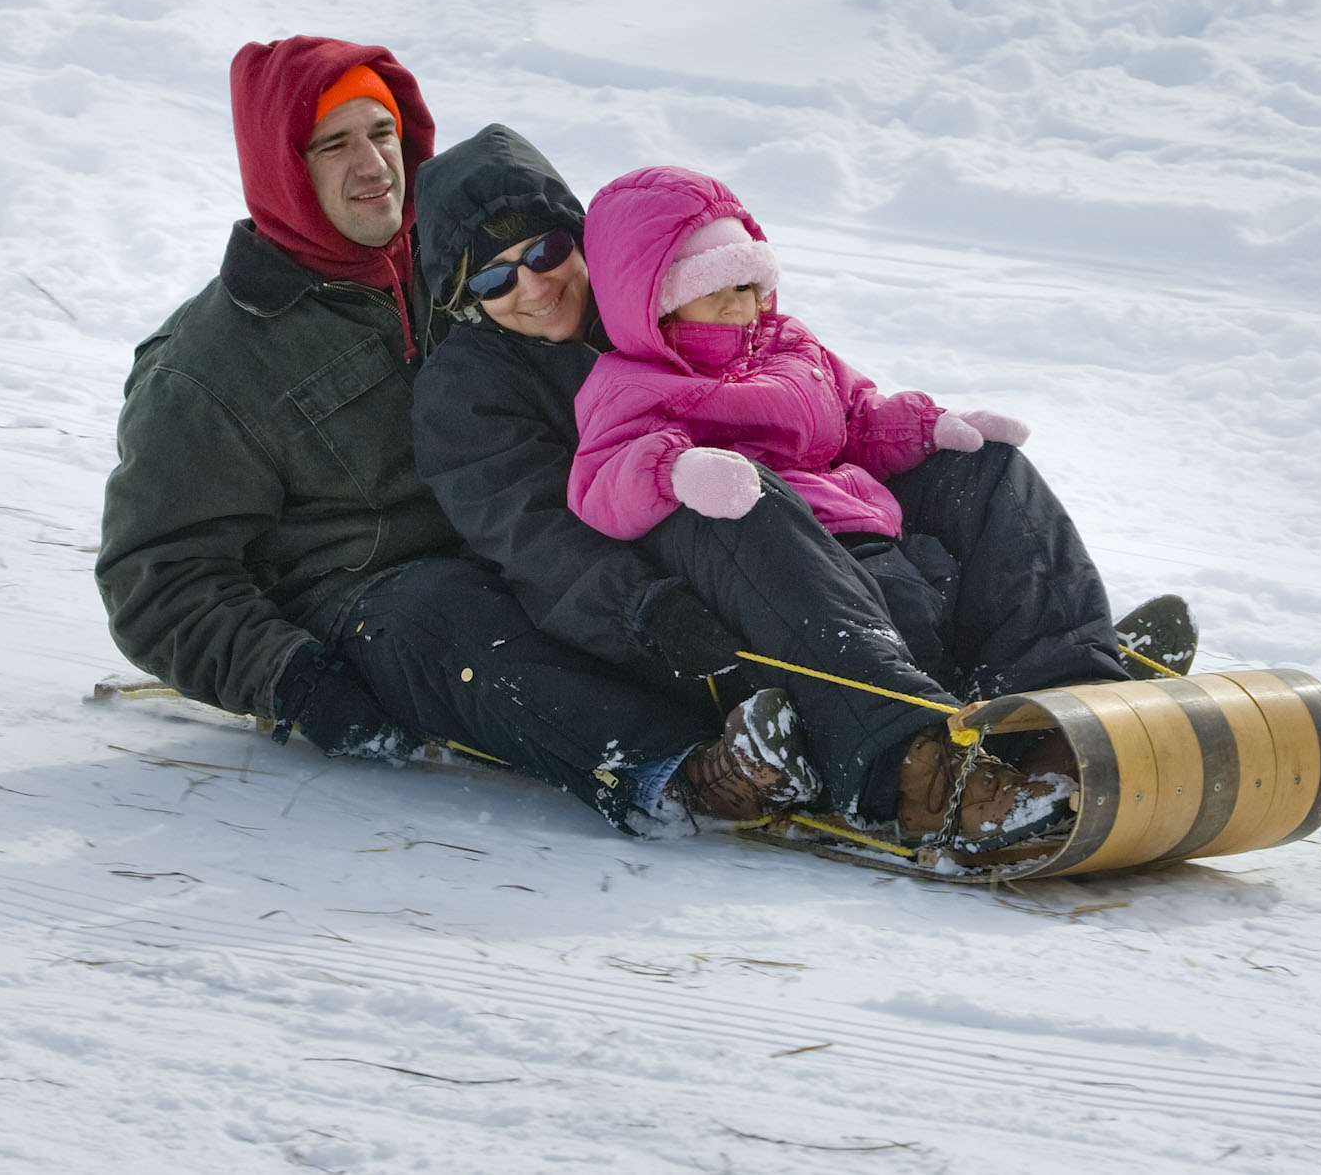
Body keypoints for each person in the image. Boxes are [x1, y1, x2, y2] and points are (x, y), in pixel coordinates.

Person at [94, 36, 809, 835]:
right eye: (334, 145)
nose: (373, 165)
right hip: (383, 592)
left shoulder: (470, 260)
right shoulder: (206, 367)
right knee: (447, 616)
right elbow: (155, 578)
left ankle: (843, 706)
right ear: (282, 166)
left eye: (382, 133)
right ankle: (677, 768)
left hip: (526, 523)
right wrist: (289, 678)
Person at [411, 129, 1143, 854]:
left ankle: (1067, 706)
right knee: (728, 493)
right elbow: (537, 542)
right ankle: (919, 770)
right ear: (464, 298)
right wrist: (643, 608)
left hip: (821, 562)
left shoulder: (680, 295)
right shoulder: (467, 392)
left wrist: (930, 431)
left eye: (544, 253)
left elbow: (838, 411)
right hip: (685, 620)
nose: (533, 285)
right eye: (494, 277)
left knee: (984, 467)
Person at [566, 164, 1030, 551]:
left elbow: (856, 417)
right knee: (906, 609)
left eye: (744, 286)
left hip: (868, 521)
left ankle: (1066, 653)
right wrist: (676, 473)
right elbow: (600, 484)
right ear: (655, 303)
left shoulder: (787, 342)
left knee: (984, 482)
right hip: (786, 552)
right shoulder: (631, 384)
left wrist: (927, 426)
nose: (734, 305)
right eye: (708, 291)